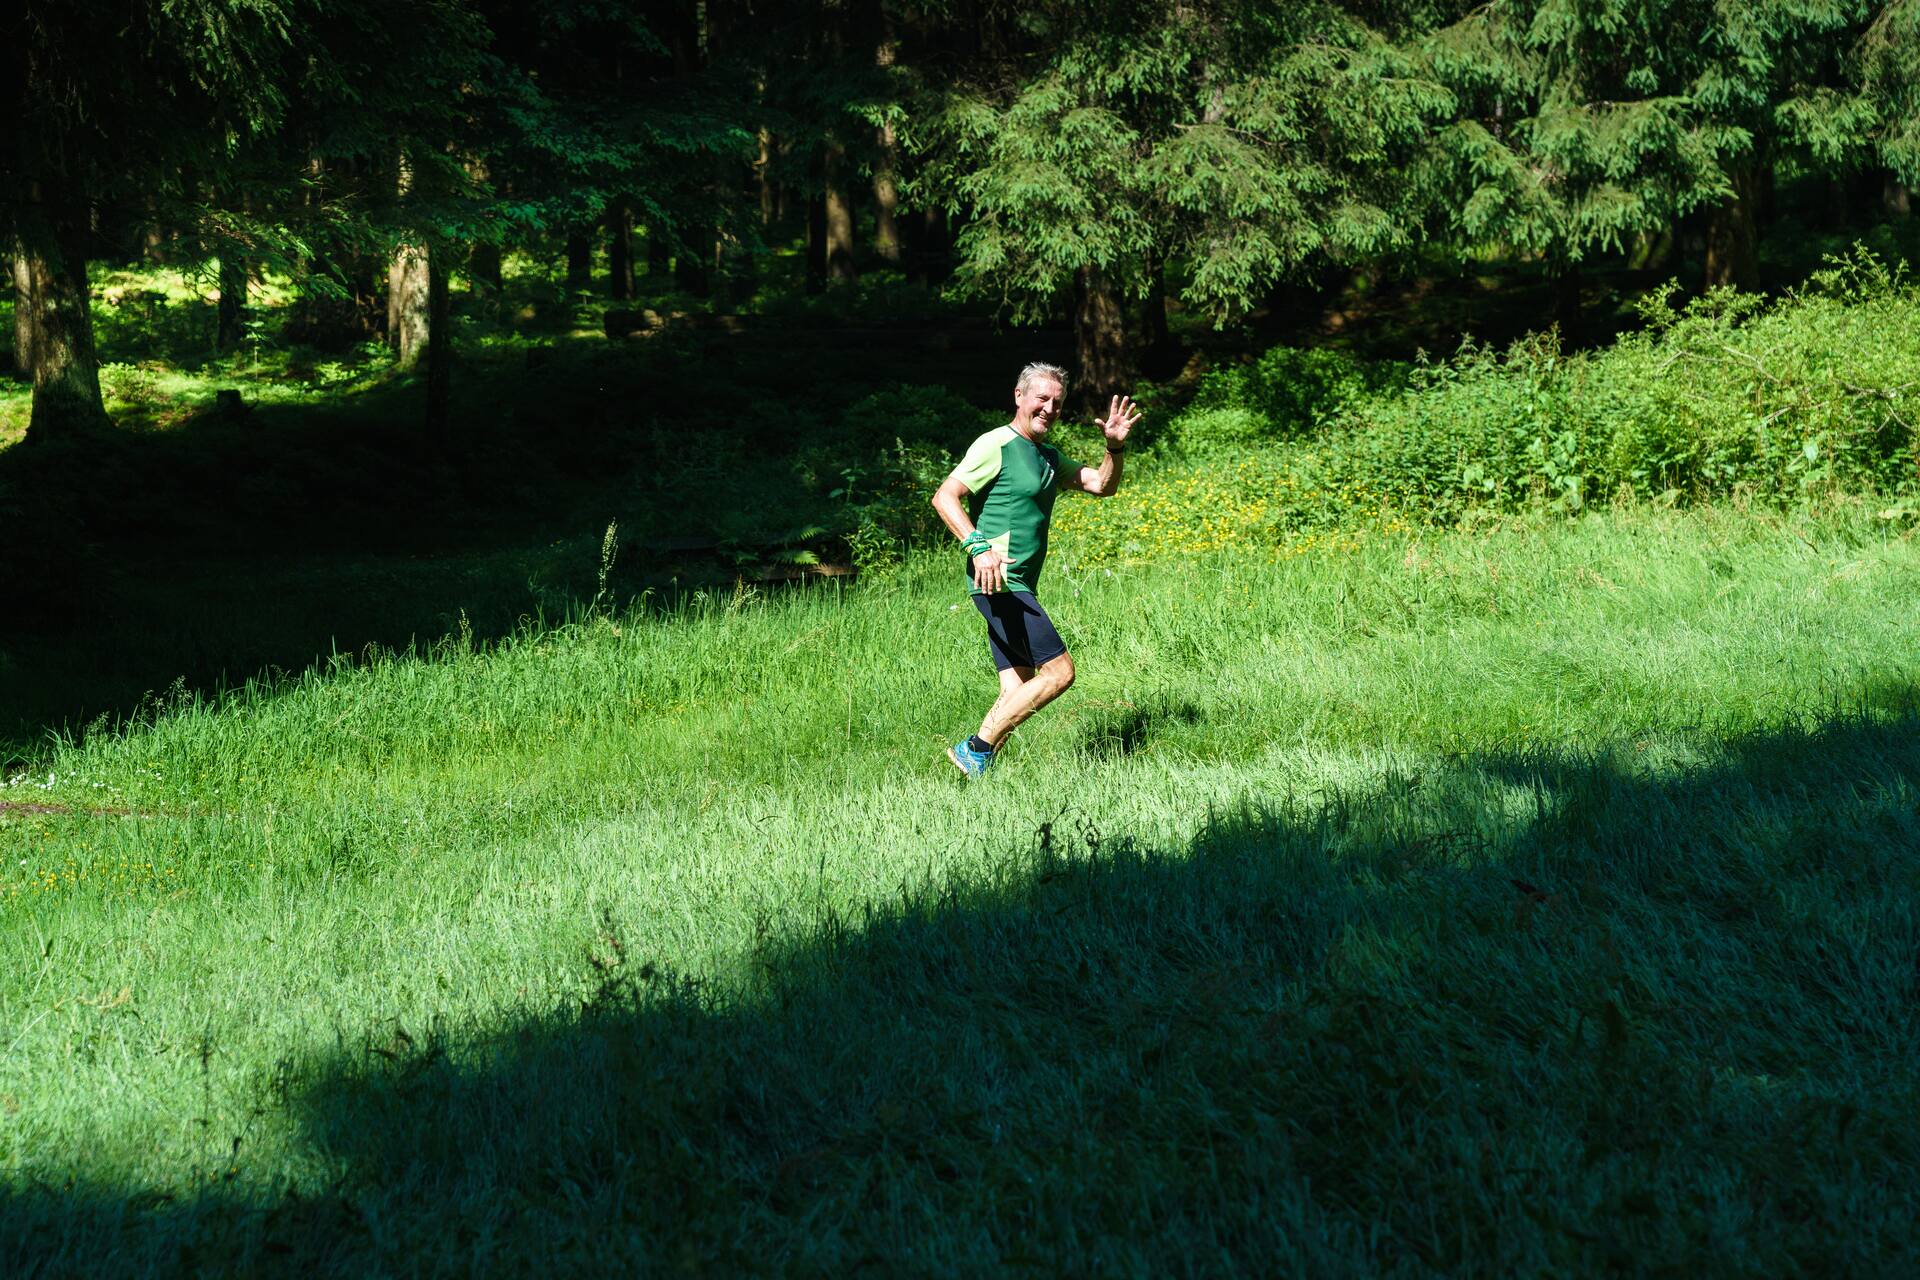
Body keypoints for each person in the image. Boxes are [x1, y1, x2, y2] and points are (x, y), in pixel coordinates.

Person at [931, 361, 1142, 777]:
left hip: (1018, 582)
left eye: (1057, 403)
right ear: (1019, 396)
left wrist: (1114, 449)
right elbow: (945, 496)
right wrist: (978, 547)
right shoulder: (997, 443)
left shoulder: (1047, 456)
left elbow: (1102, 484)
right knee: (1060, 672)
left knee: (1019, 684)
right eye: (1042, 398)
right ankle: (975, 748)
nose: (1049, 408)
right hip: (999, 579)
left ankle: (976, 773)